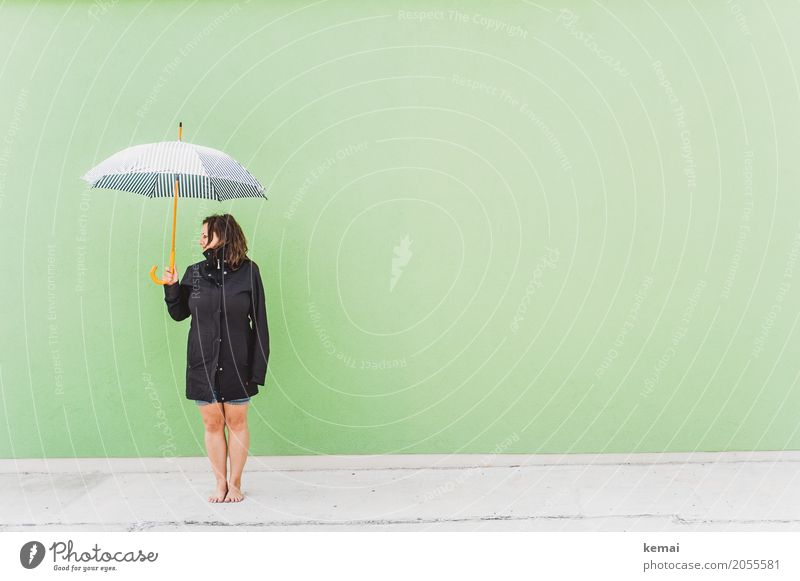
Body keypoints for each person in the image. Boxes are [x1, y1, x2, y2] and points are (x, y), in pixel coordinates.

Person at [161, 213, 269, 503]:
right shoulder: (194, 272)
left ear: (224, 235)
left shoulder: (249, 272)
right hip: (202, 361)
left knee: (236, 421)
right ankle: (219, 483)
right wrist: (171, 287)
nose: (200, 238)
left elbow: (259, 321)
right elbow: (179, 314)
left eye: (206, 233)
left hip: (238, 360)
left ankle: (235, 483)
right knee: (211, 423)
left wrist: (257, 369)